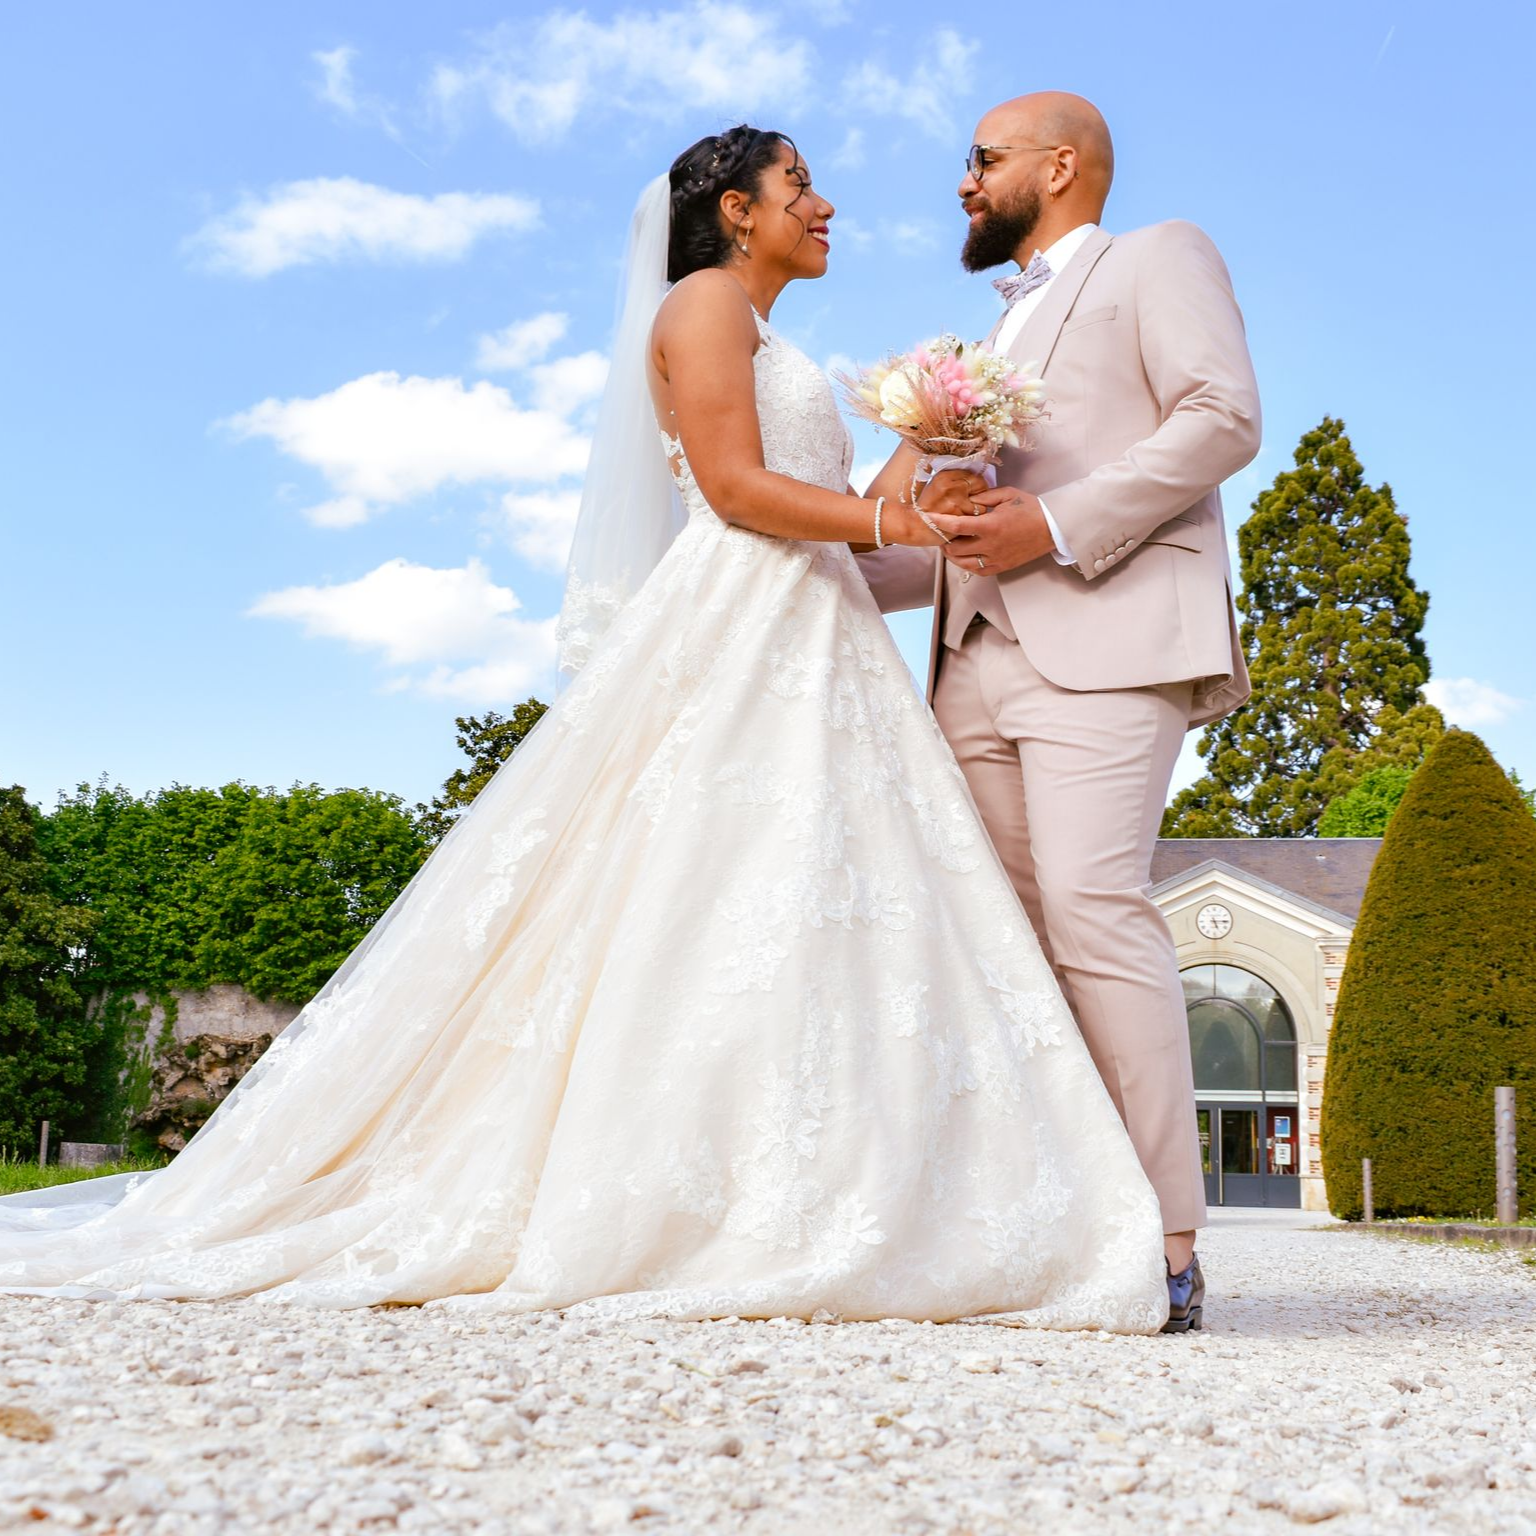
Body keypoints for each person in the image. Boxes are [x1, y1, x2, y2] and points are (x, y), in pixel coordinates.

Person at [0, 127, 1167, 1333]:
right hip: (741, 621)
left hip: (820, 633)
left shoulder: (770, 338)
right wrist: (902, 528)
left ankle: (831, 1184)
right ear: (734, 210)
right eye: (799, 185)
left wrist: (929, 461)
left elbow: (839, 511)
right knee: (703, 891)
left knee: (818, 896)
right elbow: (735, 490)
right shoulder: (701, 304)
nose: (823, 205)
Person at [858, 93, 1262, 1332]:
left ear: (1061, 164)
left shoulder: (1159, 256)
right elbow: (925, 538)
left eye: (982, 160)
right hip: (967, 655)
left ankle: (1170, 1244)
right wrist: (767, 568)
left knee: (1093, 907)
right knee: (1007, 942)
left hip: (1111, 632)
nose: (963, 181)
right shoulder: (976, 338)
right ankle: (1059, 1227)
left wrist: (1057, 522)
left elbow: (1222, 417)